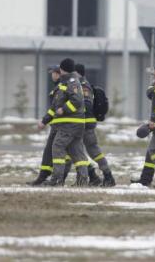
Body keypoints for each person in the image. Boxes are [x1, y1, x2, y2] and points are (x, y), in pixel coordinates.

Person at [40, 58, 88, 186]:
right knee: (76, 152)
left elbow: (77, 100)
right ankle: (82, 180)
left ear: (62, 69)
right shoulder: (65, 83)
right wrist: (45, 121)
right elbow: (55, 106)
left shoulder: (71, 82)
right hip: (72, 125)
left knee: (58, 147)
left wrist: (64, 109)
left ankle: (57, 180)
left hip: (69, 124)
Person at [75, 63, 115, 187]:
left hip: (85, 123)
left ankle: (103, 176)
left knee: (87, 151)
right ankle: (96, 176)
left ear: (77, 73)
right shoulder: (78, 85)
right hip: (83, 122)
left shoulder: (83, 86)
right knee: (81, 151)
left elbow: (86, 104)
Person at [28, 66, 63, 186]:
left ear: (58, 74)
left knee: (50, 151)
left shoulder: (61, 88)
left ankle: (46, 178)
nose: (51, 75)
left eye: (53, 73)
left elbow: (54, 109)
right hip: (61, 125)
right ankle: (46, 177)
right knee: (74, 153)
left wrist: (44, 121)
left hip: (60, 125)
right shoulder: (59, 87)